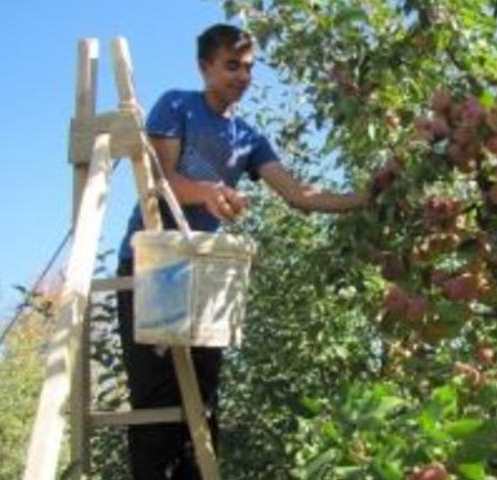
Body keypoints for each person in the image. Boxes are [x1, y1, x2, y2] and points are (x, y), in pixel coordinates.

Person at [116, 23, 372, 479]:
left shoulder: (248, 138)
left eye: (249, 68)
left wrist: (368, 195)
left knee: (204, 400)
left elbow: (299, 195)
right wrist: (209, 191)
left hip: (205, 273)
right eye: (232, 65)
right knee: (157, 398)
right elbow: (157, 180)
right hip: (155, 262)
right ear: (204, 67)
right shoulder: (179, 105)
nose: (242, 76)